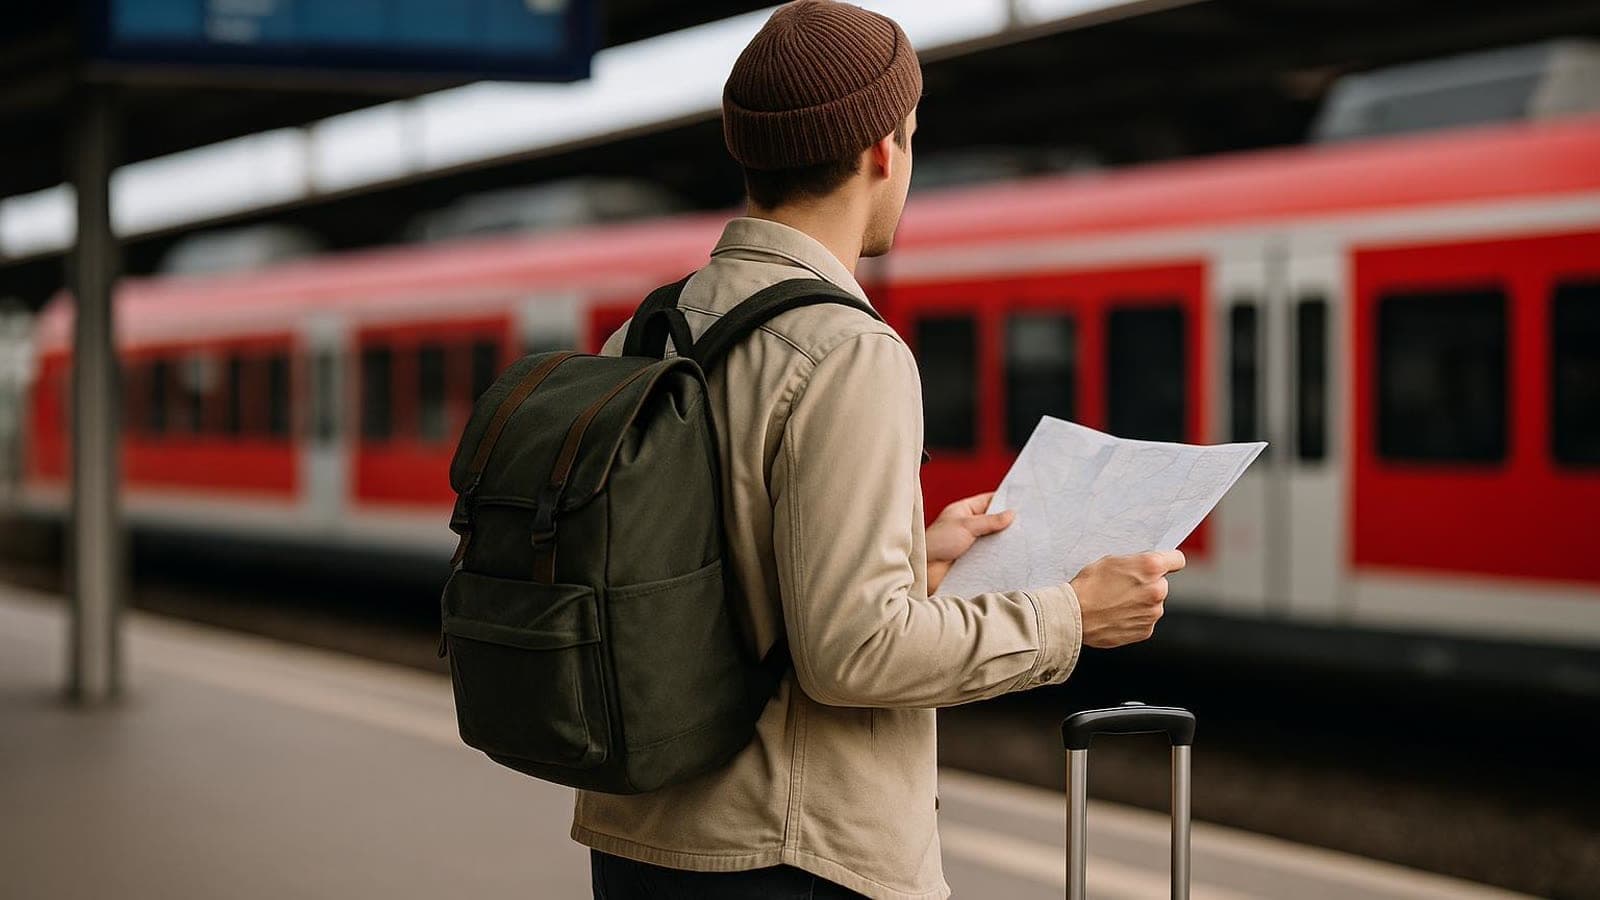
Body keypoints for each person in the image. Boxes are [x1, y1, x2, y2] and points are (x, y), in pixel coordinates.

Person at [578, 2, 1184, 897]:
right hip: (791, 853)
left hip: (642, 837)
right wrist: (1071, 616)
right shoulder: (849, 352)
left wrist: (912, 552)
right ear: (881, 151)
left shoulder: (646, 330)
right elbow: (852, 652)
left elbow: (714, 571)